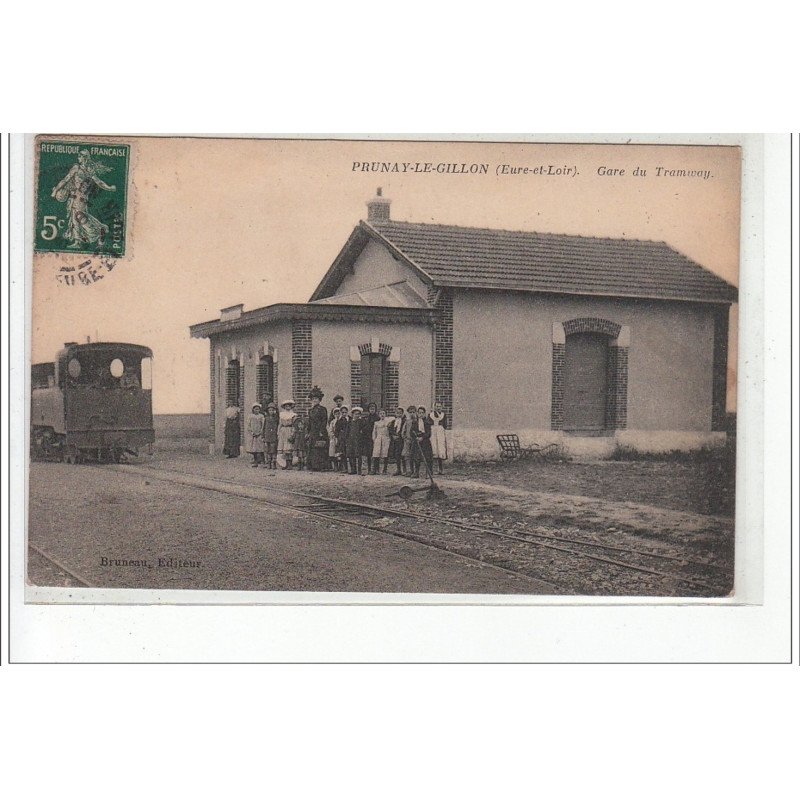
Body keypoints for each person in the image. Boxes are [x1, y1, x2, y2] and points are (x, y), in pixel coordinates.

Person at [50, 150, 117, 249]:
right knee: (76, 219)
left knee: (79, 217)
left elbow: (98, 182)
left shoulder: (84, 170)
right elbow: (66, 179)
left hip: (80, 198)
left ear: (85, 158)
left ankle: (99, 230)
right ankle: (79, 241)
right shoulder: (81, 169)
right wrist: (56, 190)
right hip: (77, 198)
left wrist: (109, 188)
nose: (78, 158)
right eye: (78, 157)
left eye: (80, 157)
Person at [306, 386, 329, 471]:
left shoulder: (323, 409)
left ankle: (321, 466)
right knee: (312, 448)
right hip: (313, 431)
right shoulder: (311, 410)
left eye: (316, 399)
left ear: (319, 400)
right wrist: (308, 431)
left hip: (320, 431)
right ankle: (313, 466)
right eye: (313, 399)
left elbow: (324, 420)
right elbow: (310, 422)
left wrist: (321, 431)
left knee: (320, 448)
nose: (314, 400)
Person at [411, 405, 433, 478]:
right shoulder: (415, 422)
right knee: (416, 457)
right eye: (419, 413)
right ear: (417, 413)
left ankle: (429, 472)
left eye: (422, 413)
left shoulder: (427, 422)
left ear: (424, 414)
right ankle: (416, 472)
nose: (421, 414)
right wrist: (416, 437)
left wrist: (423, 437)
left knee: (427, 457)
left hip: (425, 442)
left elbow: (429, 433)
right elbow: (411, 432)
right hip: (417, 442)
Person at [429, 402, 448, 475]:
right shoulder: (430, 415)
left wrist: (440, 427)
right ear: (434, 407)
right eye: (437, 406)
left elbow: (445, 425)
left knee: (440, 448)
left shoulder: (443, 415)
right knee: (434, 448)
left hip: (440, 433)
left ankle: (440, 469)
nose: (438, 408)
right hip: (433, 432)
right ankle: (432, 469)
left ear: (441, 407)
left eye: (439, 406)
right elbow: (429, 423)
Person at [277, 400, 297, 469]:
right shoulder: (282, 414)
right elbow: (280, 424)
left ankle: (290, 464)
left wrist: (293, 433)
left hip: (289, 430)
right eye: (286, 406)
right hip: (283, 431)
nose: (287, 407)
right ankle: (285, 464)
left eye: (289, 406)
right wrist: (278, 432)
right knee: (284, 448)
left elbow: (295, 425)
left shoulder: (293, 415)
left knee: (289, 447)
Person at [371, 409, 391, 475]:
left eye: (383, 413)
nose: (382, 415)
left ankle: (384, 469)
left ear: (385, 414)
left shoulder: (388, 422)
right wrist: (374, 439)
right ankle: (376, 469)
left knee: (385, 454)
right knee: (376, 454)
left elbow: (393, 419)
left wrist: (389, 438)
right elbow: (374, 432)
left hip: (385, 438)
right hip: (378, 438)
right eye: (381, 413)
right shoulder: (376, 423)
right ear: (379, 415)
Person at [362, 402, 380, 473]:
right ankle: (369, 469)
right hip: (368, 438)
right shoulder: (367, 418)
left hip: (376, 437)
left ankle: (376, 469)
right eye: (370, 409)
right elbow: (365, 427)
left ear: (375, 409)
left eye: (373, 409)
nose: (372, 410)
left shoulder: (377, 418)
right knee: (369, 453)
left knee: (376, 453)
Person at [347, 407, 365, 475]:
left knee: (358, 455)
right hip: (350, 440)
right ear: (352, 414)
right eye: (355, 414)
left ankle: (359, 470)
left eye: (358, 414)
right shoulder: (350, 422)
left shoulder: (361, 422)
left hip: (358, 440)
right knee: (351, 455)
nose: (357, 415)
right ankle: (353, 469)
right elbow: (347, 431)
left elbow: (364, 429)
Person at [388, 408, 405, 475]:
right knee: (397, 454)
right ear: (395, 413)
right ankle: (398, 469)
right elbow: (390, 429)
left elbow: (404, 430)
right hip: (395, 440)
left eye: (400, 413)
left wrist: (399, 436)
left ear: (402, 414)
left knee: (402, 455)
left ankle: (404, 469)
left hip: (401, 439)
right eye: (397, 413)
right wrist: (393, 435)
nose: (399, 414)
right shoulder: (393, 421)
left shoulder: (404, 421)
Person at [402, 405, 417, 477]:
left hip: (415, 441)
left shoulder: (417, 421)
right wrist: (405, 437)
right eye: (410, 412)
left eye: (413, 412)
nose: (412, 414)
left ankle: (414, 471)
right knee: (407, 456)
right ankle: (408, 470)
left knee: (414, 456)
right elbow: (403, 431)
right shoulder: (407, 421)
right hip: (407, 440)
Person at [263, 402, 279, 470]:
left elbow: (278, 426)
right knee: (268, 449)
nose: (271, 411)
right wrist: (263, 435)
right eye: (270, 410)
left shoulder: (276, 419)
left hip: (273, 435)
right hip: (267, 435)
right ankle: (268, 462)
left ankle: (273, 462)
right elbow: (264, 427)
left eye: (272, 410)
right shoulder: (266, 418)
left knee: (273, 449)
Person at [335, 406, 350, 472]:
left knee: (349, 453)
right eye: (343, 412)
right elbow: (336, 431)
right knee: (342, 453)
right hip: (342, 439)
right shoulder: (339, 421)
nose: (344, 414)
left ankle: (351, 467)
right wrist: (339, 437)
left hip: (349, 438)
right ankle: (344, 467)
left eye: (345, 412)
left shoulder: (350, 419)